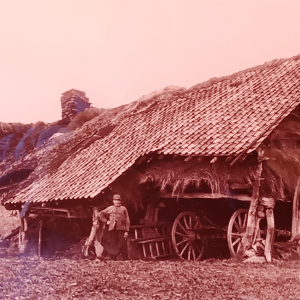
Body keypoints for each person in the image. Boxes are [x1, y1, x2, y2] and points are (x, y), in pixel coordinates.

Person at [98, 194, 130, 260]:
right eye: (115, 200)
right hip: (112, 228)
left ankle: (125, 258)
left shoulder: (124, 209)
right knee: (112, 243)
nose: (117, 202)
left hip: (121, 229)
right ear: (113, 201)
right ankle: (111, 257)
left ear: (120, 201)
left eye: (118, 200)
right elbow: (100, 215)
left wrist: (126, 231)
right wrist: (106, 221)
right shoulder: (110, 208)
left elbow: (127, 220)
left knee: (122, 242)